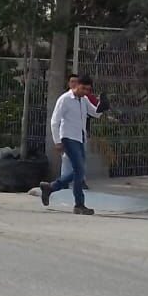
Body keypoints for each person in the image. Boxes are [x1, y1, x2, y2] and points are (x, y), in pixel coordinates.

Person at [41, 73, 100, 215]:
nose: (85, 92)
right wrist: (57, 141)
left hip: (80, 138)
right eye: (83, 88)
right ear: (77, 85)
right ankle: (79, 204)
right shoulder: (65, 99)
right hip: (68, 138)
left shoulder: (84, 100)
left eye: (88, 90)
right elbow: (55, 121)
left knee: (79, 171)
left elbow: (96, 113)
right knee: (79, 170)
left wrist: (102, 106)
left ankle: (51, 187)